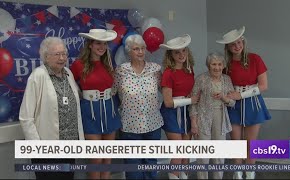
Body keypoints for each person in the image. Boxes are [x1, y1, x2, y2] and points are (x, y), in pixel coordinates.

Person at [19, 37, 84, 179]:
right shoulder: (38, 76)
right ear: (46, 57)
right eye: (57, 54)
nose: (62, 58)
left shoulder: (68, 73)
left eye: (64, 54)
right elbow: (26, 117)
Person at [216, 26, 271, 179]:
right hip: (234, 105)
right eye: (233, 44)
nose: (237, 46)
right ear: (228, 47)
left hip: (253, 103)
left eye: (239, 42)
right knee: (236, 143)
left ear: (243, 42)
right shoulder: (225, 65)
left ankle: (249, 172)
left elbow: (263, 86)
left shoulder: (255, 59)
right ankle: (237, 173)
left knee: (251, 144)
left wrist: (241, 95)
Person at [70, 29, 122, 179]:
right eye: (98, 43)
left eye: (104, 43)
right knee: (96, 158)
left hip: (109, 109)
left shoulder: (109, 63)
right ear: (90, 45)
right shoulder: (79, 65)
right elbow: (69, 85)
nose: (102, 46)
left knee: (107, 158)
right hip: (90, 112)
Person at [113, 34, 163, 179]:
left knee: (150, 165)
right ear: (129, 51)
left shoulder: (155, 70)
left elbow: (166, 90)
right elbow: (112, 92)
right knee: (133, 168)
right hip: (130, 126)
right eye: (136, 49)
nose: (140, 52)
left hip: (153, 124)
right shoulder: (121, 71)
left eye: (142, 48)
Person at [159, 34, 199, 179]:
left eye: (184, 51)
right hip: (171, 114)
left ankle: (183, 176)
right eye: (177, 52)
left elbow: (190, 94)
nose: (181, 55)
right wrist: (191, 100)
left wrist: (191, 102)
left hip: (187, 112)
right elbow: (168, 102)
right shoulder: (168, 73)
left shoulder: (190, 70)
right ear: (171, 54)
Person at [189, 53, 235, 179]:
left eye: (219, 64)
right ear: (208, 65)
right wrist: (194, 123)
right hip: (203, 117)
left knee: (219, 154)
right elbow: (193, 102)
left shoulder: (227, 79)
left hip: (220, 117)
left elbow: (232, 102)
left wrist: (223, 97)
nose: (217, 67)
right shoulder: (201, 78)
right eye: (213, 64)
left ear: (223, 65)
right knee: (204, 155)